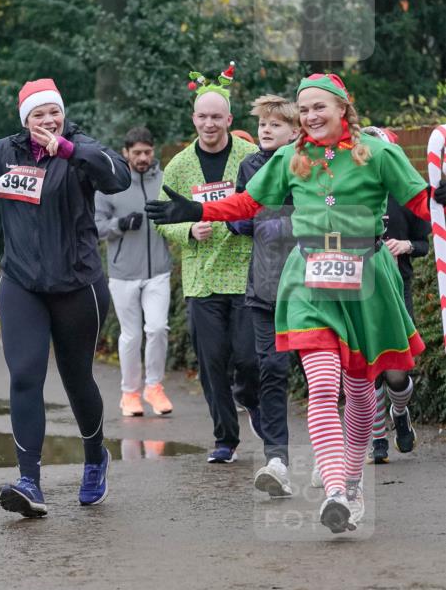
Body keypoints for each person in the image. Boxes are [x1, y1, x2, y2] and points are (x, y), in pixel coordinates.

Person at [147, 72, 446, 534]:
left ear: (342, 108)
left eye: (318, 107)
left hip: (365, 277)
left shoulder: (380, 152)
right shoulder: (291, 156)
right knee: (324, 385)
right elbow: (248, 203)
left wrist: (439, 199)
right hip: (308, 276)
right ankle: (333, 490)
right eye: (303, 109)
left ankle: (351, 482)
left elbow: (423, 206)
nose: (309, 116)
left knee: (361, 391)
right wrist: (197, 210)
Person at [0, 78, 130, 518]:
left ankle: (96, 457)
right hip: (21, 284)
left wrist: (67, 149)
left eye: (53, 113)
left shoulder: (80, 148)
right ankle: (30, 482)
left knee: (76, 377)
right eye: (37, 115)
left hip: (77, 284)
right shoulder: (6, 152)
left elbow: (117, 176)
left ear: (62, 114)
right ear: (25, 121)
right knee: (25, 376)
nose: (47, 121)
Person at [154, 64, 262, 464]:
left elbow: (267, 205)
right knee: (213, 363)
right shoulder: (180, 166)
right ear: (194, 119)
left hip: (246, 273)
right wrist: (186, 232)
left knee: (249, 359)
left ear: (230, 120)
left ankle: (249, 398)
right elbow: (164, 221)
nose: (210, 123)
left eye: (217, 116)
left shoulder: (251, 157)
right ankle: (225, 440)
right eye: (203, 116)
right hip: (202, 280)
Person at [227, 95, 300, 497]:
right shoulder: (250, 166)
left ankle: (339, 461)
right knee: (270, 370)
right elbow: (240, 219)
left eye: (275, 124)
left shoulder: (312, 166)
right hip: (265, 287)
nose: (266, 130)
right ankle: (278, 462)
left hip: (312, 287)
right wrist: (240, 219)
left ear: (296, 131)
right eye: (263, 124)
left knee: (325, 378)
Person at [363, 126, 431, 463]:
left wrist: (405, 245)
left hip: (396, 288)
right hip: (357, 290)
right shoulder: (349, 194)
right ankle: (376, 438)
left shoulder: (406, 198)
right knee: (366, 370)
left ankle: (400, 413)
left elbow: (425, 241)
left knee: (396, 372)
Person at [94, 126, 174, 417]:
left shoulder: (164, 180)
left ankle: (154, 387)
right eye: (137, 152)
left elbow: (177, 215)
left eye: (147, 152)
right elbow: (95, 225)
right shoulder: (109, 183)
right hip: (123, 272)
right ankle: (130, 394)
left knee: (157, 328)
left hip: (159, 270)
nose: (142, 157)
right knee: (131, 336)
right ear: (125, 152)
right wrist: (120, 225)